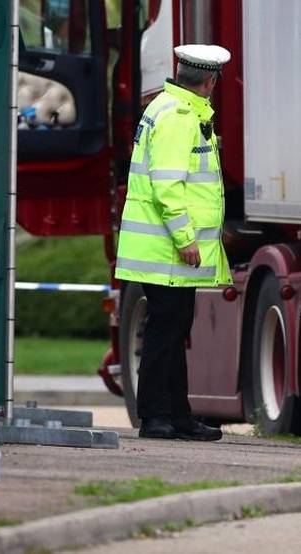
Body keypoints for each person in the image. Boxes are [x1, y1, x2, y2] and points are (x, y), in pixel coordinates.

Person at [115, 44, 232, 442]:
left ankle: (178, 416)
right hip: (165, 249)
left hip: (165, 251)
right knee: (165, 332)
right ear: (210, 81)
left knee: (172, 329)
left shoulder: (169, 109)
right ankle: (155, 417)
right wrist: (185, 238)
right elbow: (168, 185)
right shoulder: (179, 117)